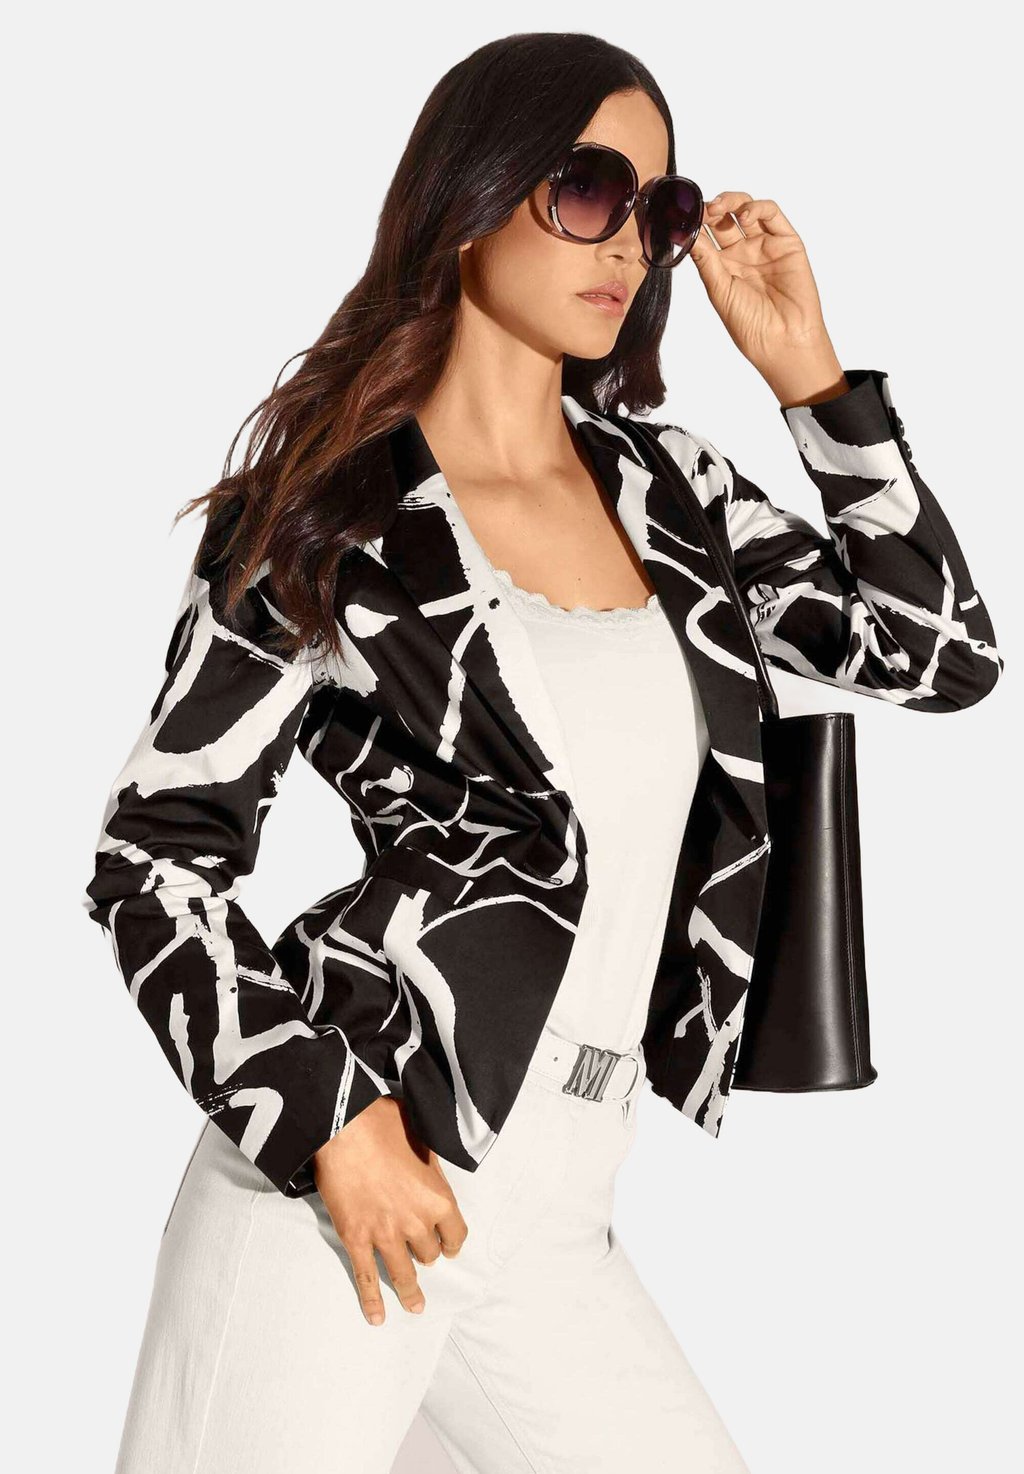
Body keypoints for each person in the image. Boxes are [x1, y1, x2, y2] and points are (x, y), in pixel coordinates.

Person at [82, 31, 1003, 1474]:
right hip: (354, 1186)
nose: (629, 241)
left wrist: (813, 381)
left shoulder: (670, 492)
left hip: (562, 1206)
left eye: (660, 207)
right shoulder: (332, 517)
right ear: (472, 195)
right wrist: (328, 1120)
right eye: (587, 190)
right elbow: (152, 858)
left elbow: (938, 654)